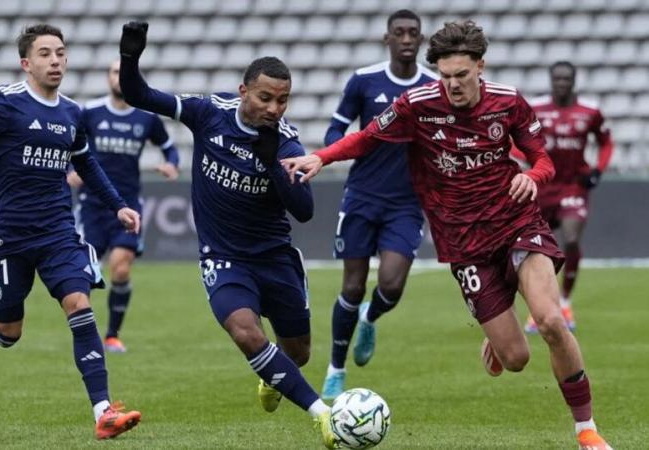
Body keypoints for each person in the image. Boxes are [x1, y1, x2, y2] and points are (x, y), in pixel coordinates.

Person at [282, 20, 613, 450]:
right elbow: (366, 139)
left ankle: (585, 429)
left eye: (462, 75)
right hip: (463, 243)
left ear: (480, 66)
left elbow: (542, 159)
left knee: (549, 320)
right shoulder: (416, 105)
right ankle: (496, 337)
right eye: (445, 76)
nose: (453, 85)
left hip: (515, 223)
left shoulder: (508, 102)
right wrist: (321, 158)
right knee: (515, 359)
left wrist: (533, 175)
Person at [116, 21, 338, 448]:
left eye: (283, 100)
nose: (275, 108)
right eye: (265, 97)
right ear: (243, 91)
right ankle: (323, 414)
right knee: (246, 332)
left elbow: (305, 212)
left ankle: (274, 377)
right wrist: (130, 58)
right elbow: (138, 95)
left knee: (299, 353)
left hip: (275, 258)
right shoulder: (208, 113)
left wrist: (274, 163)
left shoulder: (287, 144)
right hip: (223, 257)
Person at [0, 24, 141, 439]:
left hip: (57, 232)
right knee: (7, 335)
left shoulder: (73, 113)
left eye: (61, 52)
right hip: (8, 236)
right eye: (45, 54)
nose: (56, 60)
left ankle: (103, 411)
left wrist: (119, 205)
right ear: (26, 63)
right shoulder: (6, 103)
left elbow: (87, 164)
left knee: (78, 302)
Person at [320, 9, 437, 401]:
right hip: (362, 196)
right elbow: (336, 126)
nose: (406, 39)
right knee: (352, 286)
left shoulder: (433, 86)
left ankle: (371, 318)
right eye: (399, 33)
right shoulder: (364, 81)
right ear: (387, 39)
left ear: (421, 41)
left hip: (406, 202)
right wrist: (337, 147)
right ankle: (336, 369)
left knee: (391, 284)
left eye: (413, 33)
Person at [68, 59, 181, 353]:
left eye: (123, 72)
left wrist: (172, 164)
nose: (119, 77)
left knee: (120, 268)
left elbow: (169, 147)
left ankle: (112, 336)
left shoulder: (146, 117)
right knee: (85, 276)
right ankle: (88, 339)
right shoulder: (90, 112)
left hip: (128, 205)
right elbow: (68, 143)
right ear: (107, 78)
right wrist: (69, 171)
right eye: (114, 72)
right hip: (92, 207)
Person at [518, 61, 614, 334]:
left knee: (571, 240)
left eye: (566, 79)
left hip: (573, 187)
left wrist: (598, 169)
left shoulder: (590, 111)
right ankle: (538, 309)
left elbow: (606, 141)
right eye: (557, 79)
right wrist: (523, 161)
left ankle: (565, 301)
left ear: (574, 81)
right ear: (551, 80)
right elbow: (515, 140)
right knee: (535, 249)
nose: (562, 83)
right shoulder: (536, 108)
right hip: (542, 187)